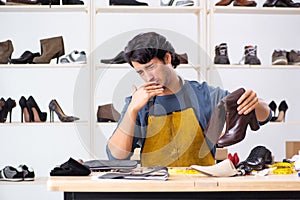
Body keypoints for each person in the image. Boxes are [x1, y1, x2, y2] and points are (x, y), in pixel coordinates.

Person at [106, 32, 271, 167]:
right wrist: (132, 110)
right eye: (140, 72)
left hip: (201, 189)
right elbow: (117, 156)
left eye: (151, 67)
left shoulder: (205, 94)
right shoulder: (138, 102)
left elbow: (265, 117)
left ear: (168, 58)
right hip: (156, 190)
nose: (148, 77)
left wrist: (255, 101)